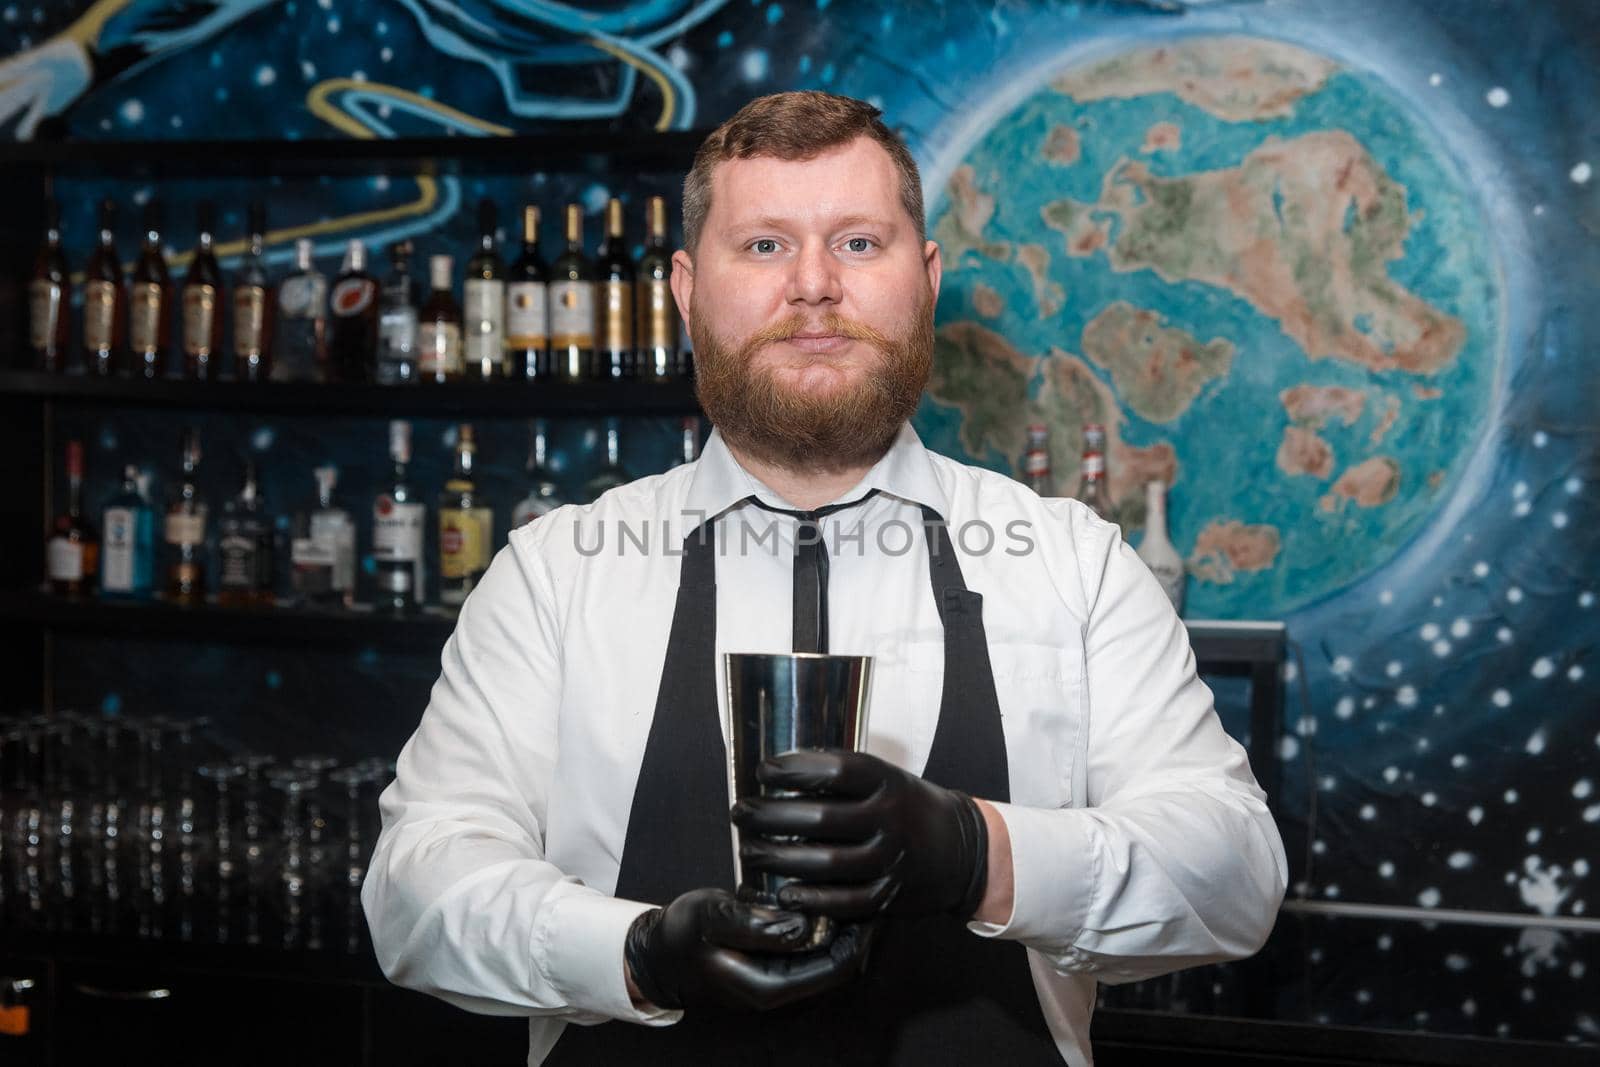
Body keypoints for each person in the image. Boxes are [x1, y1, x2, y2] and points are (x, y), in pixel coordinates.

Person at [362, 90, 1287, 1066]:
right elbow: (414, 891)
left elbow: (1233, 874)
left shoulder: (1076, 563)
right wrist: (635, 953)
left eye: (856, 243)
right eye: (763, 245)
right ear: (684, 288)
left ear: (924, 277)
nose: (812, 285)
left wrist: (981, 853)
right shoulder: (555, 573)